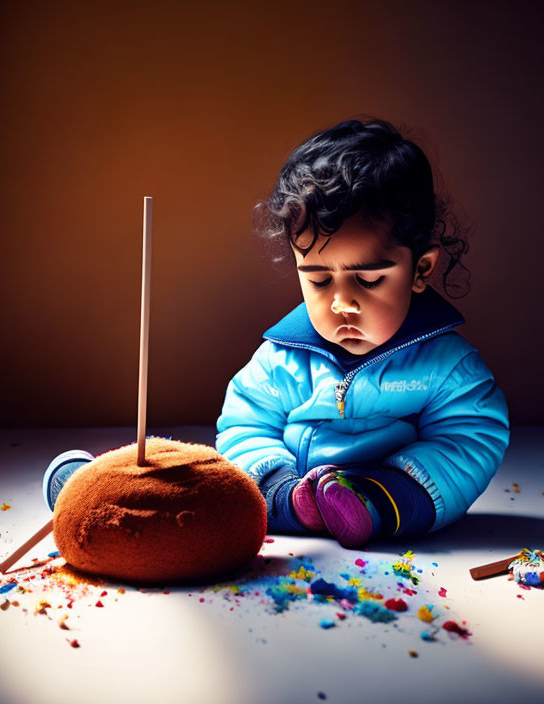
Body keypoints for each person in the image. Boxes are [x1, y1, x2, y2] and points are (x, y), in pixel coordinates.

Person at [215, 118, 510, 548]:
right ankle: (294, 505)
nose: (341, 303)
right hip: (291, 487)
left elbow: (471, 438)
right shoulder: (280, 359)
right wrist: (278, 480)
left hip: (397, 492)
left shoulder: (447, 366)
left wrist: (394, 491)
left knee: (427, 480)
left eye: (368, 280)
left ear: (419, 269)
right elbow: (244, 426)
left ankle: (372, 505)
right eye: (318, 281)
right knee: (239, 480)